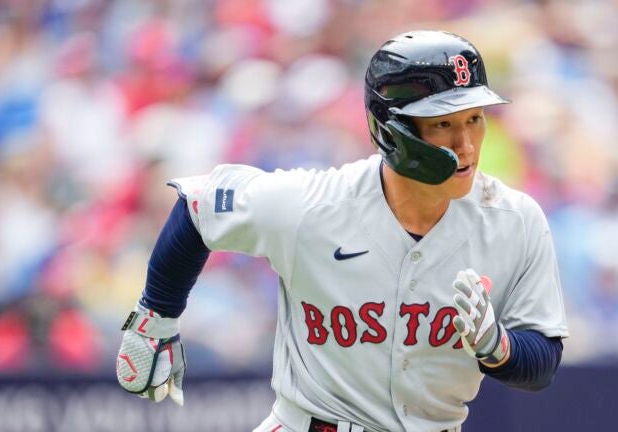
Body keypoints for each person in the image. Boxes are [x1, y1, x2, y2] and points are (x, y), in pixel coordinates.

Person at [117, 30, 568, 432]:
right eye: (443, 124)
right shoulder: (315, 204)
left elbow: (543, 360)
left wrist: (498, 346)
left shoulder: (515, 220)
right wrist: (155, 318)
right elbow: (198, 207)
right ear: (392, 131)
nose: (466, 145)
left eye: (475, 118)